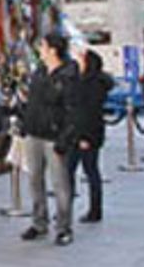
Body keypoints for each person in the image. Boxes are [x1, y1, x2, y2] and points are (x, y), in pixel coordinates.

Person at [20, 32, 79, 246]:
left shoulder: (69, 75)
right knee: (34, 179)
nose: (40, 50)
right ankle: (39, 222)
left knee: (60, 183)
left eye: (43, 46)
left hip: (54, 136)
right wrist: (24, 122)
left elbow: (73, 110)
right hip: (34, 132)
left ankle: (64, 227)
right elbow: (33, 101)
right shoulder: (39, 72)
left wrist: (65, 137)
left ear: (53, 49)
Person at [68, 47, 112, 223]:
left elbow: (89, 112)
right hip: (81, 133)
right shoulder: (86, 81)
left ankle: (94, 210)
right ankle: (69, 207)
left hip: (86, 134)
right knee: (75, 170)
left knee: (89, 171)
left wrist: (85, 137)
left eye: (80, 58)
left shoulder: (92, 84)